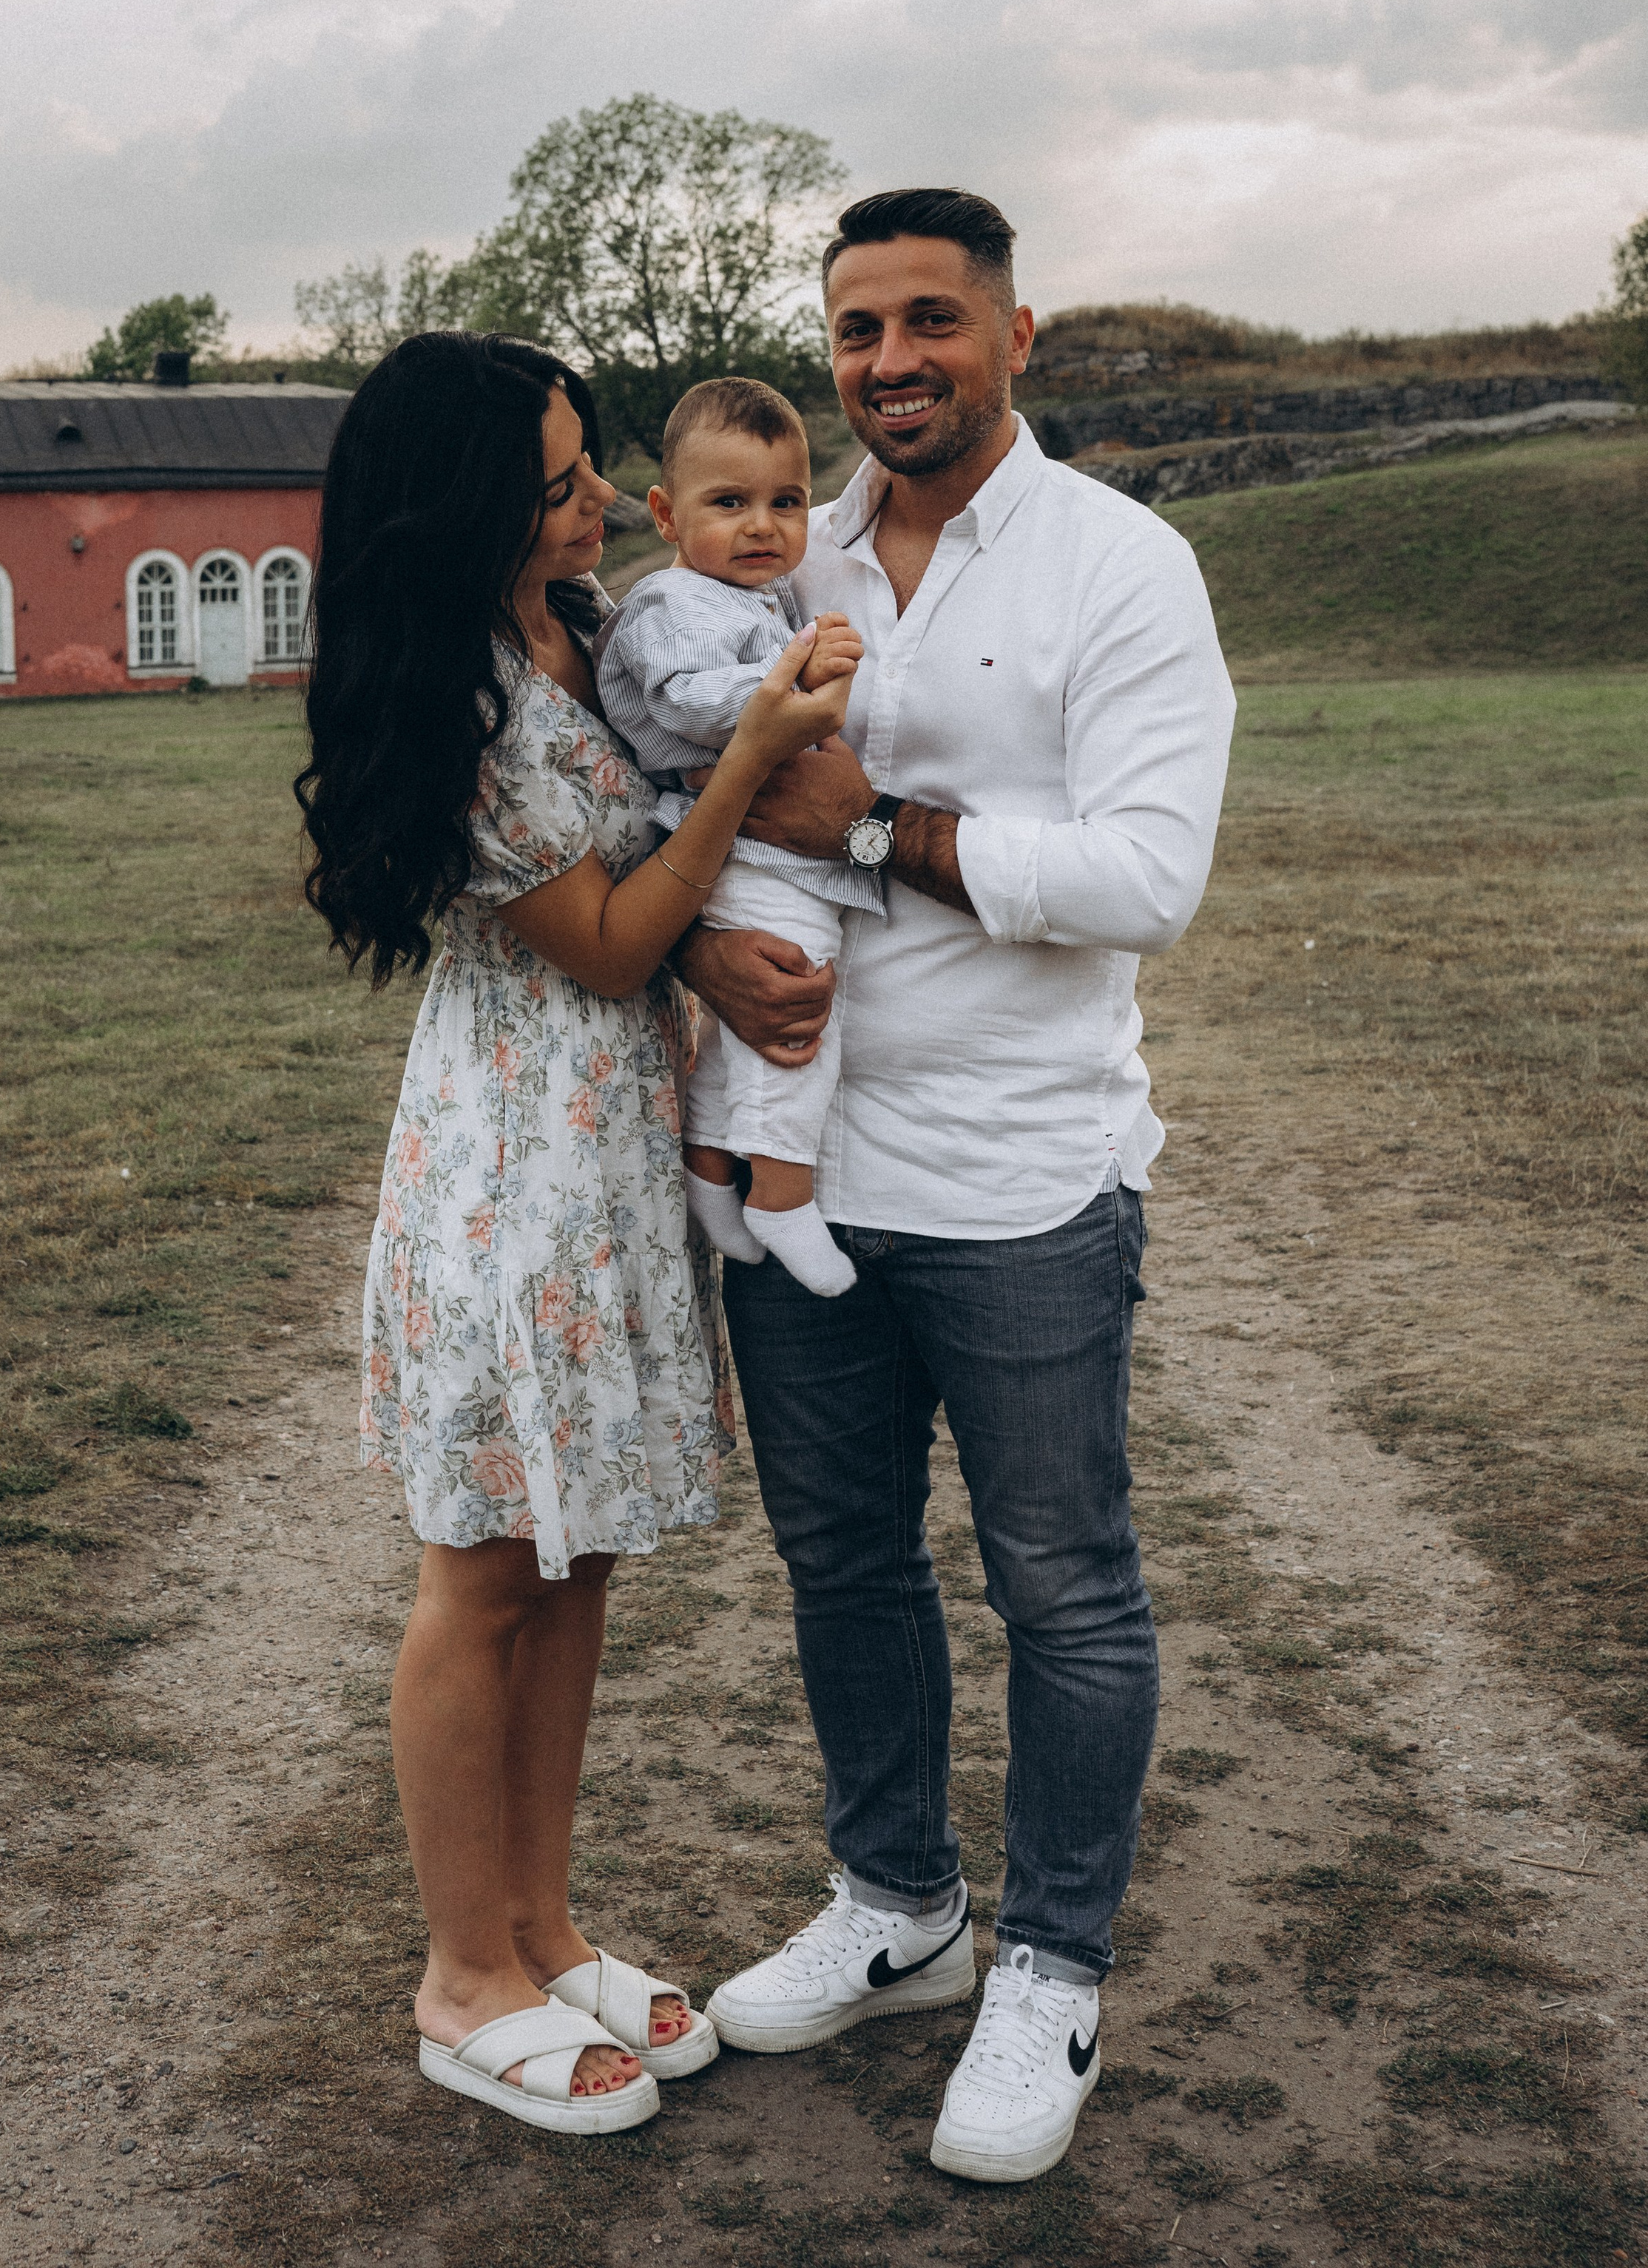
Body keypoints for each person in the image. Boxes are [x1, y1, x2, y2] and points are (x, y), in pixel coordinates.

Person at [685, 190, 1237, 2183]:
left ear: (1020, 332)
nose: (889, 362)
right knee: (842, 1564)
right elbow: (677, 794)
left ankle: (1054, 1962)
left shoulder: (1123, 566)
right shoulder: (773, 543)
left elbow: (1148, 876)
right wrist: (686, 943)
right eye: (857, 330)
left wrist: (883, 827)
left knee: (1061, 1581)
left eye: (932, 320)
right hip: (797, 1159)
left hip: (1019, 1178)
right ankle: (900, 1906)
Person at [294, 333, 857, 2137]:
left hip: (607, 1158)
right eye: (552, 484)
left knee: (575, 1555)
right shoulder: (459, 696)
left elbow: (646, 917)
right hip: (508, 1169)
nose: (599, 500)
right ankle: (463, 1972)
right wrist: (748, 759)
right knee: (484, 1568)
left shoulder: (575, 620)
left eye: (587, 465)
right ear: (456, 514)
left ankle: (540, 1925)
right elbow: (607, 936)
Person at [595, 376, 872, 1299]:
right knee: (799, 1001)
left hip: (761, 836)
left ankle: (713, 1169)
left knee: (751, 1017)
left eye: (786, 502)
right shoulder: (672, 605)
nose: (763, 526)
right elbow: (684, 699)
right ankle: (783, 1193)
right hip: (743, 838)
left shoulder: (760, 595)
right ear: (668, 516)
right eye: (730, 503)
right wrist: (787, 687)